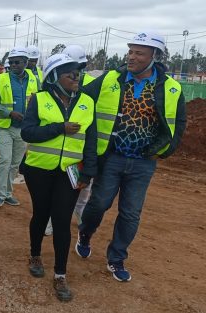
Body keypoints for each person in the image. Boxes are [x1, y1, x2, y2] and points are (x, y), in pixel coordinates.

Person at [75, 31, 187, 282]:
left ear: (154, 56)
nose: (131, 57)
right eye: (130, 51)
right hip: (111, 157)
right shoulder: (110, 79)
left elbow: (178, 123)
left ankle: (116, 258)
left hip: (143, 162)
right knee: (99, 204)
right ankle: (85, 232)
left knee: (131, 213)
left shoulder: (171, 88)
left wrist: (165, 149)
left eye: (139, 53)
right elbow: (82, 101)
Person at [21, 53, 98, 302]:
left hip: (69, 173)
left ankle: (60, 274)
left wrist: (88, 172)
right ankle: (35, 255)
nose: (77, 77)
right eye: (71, 74)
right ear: (55, 76)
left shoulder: (87, 102)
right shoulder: (40, 100)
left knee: (62, 221)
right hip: (39, 170)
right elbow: (28, 133)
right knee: (41, 214)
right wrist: (59, 128)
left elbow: (91, 140)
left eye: (78, 73)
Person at [0, 47, 38, 208]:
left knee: (15, 163)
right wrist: (9, 113)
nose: (13, 65)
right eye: (11, 62)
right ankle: (0, 194)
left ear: (25, 63)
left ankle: (8, 194)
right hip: (5, 126)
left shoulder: (33, 79)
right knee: (5, 160)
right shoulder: (2, 79)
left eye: (17, 62)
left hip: (23, 129)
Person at [62, 44, 96, 224]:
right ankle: (54, 219)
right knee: (59, 187)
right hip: (60, 141)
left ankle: (80, 211)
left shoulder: (92, 83)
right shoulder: (57, 81)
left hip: (81, 141)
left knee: (84, 185)